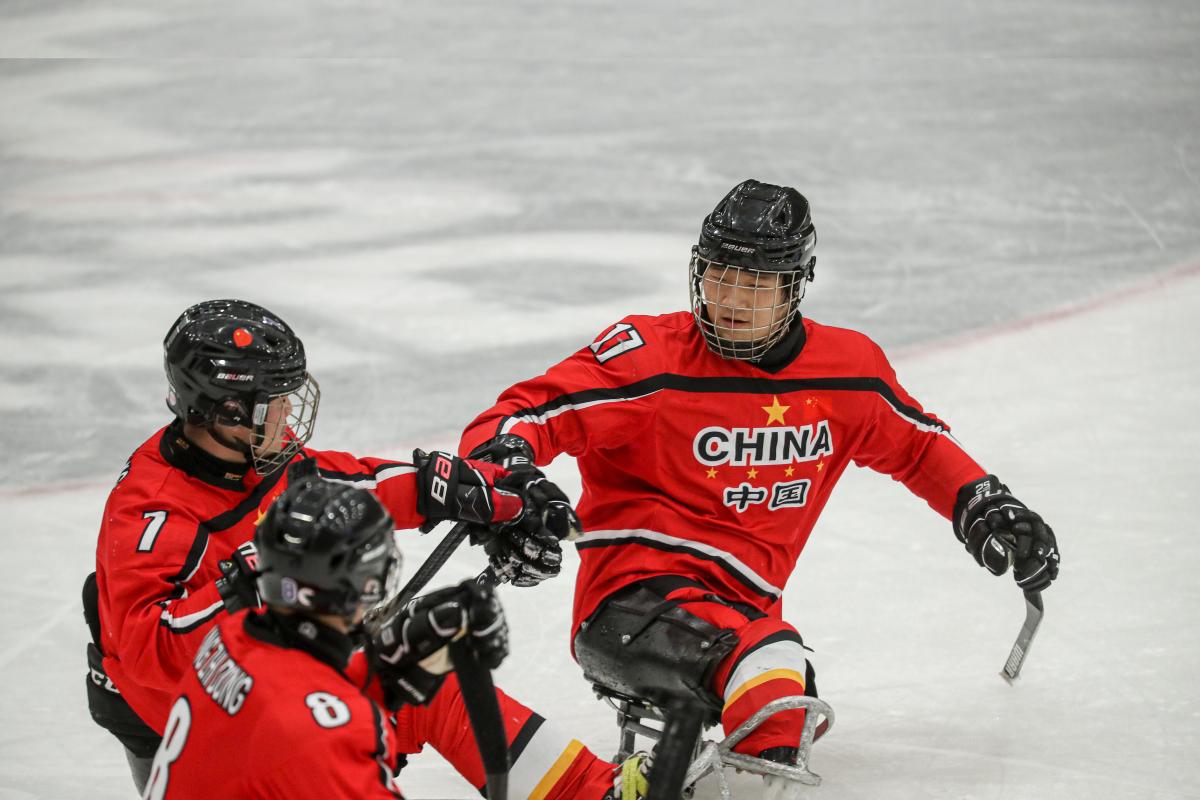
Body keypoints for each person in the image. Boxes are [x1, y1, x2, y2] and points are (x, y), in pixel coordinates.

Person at [459, 179, 1061, 797]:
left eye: (754, 284)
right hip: (630, 609)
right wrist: (506, 473)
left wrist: (985, 503)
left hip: (743, 622)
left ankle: (649, 781)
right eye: (718, 275)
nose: (729, 299)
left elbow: (917, 444)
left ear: (795, 285)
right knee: (774, 681)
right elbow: (522, 415)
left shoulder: (846, 373)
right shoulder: (651, 360)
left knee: (786, 700)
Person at [83, 298, 619, 797]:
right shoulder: (152, 512)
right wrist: (261, 578)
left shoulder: (256, 460)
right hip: (211, 720)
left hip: (272, 682)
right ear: (225, 413)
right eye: (273, 405)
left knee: (432, 678)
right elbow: (148, 655)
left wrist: (485, 492)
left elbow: (353, 487)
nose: (288, 418)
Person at [142, 476, 633, 799]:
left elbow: (294, 707)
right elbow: (311, 732)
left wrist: (391, 668)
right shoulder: (322, 739)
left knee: (436, 688)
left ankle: (590, 791)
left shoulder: (233, 634)